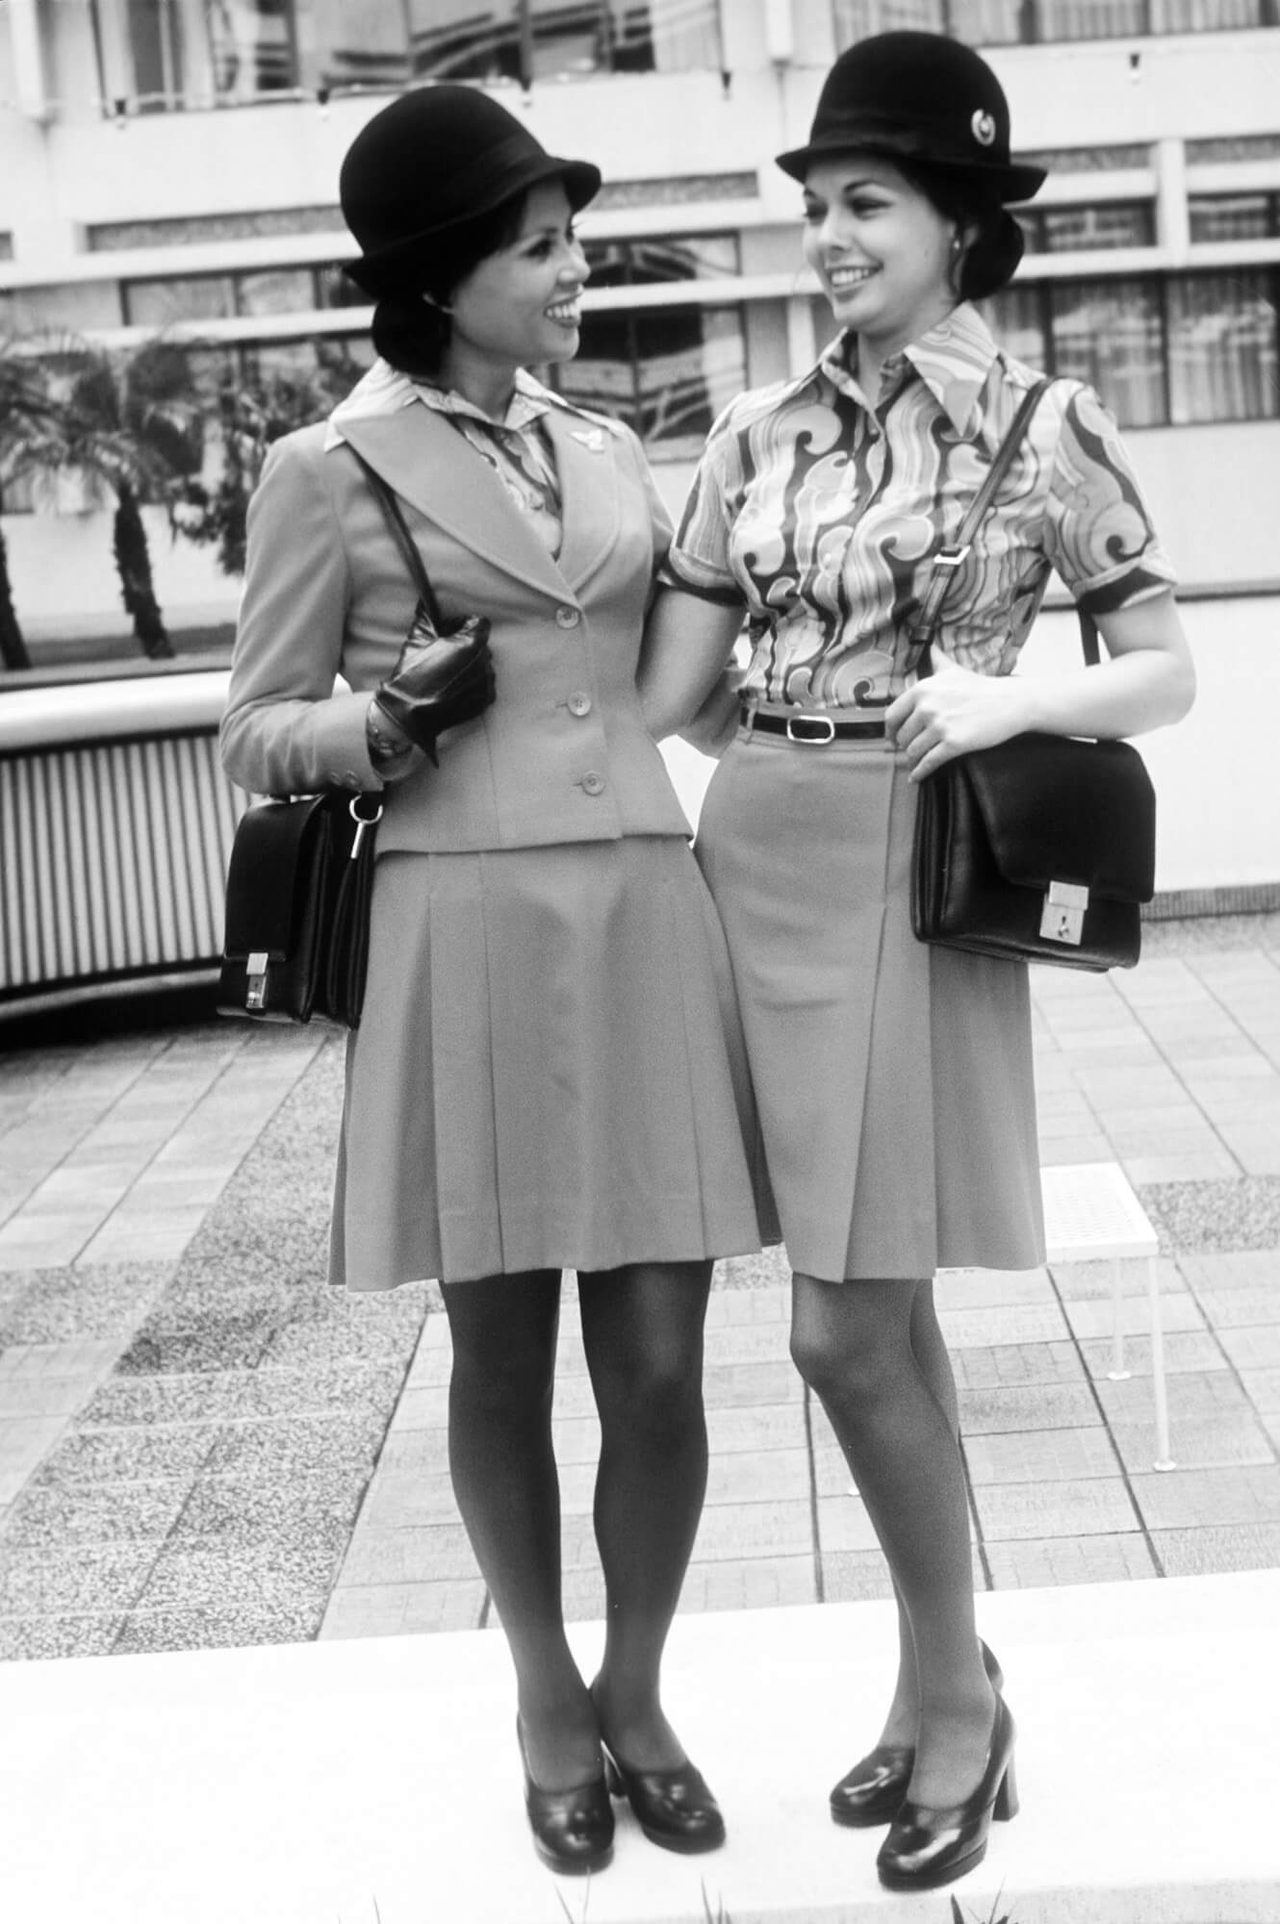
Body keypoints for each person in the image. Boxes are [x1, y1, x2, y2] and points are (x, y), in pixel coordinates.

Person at [640, 30, 1195, 1895]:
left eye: (865, 204)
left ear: (958, 222)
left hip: (903, 868)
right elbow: (674, 688)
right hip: (754, 854)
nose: (829, 238)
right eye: (814, 209)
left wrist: (1008, 697)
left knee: (839, 1326)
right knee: (879, 1308)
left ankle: (957, 1701)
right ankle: (942, 1677)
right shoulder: (749, 432)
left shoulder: (1049, 431)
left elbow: (1164, 667)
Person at [220, 85, 768, 1876]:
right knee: (503, 1351)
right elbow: (255, 734)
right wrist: (381, 721)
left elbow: (678, 666)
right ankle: (544, 1696)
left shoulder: (609, 446)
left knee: (669, 1363)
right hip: (462, 929)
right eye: (541, 247)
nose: (576, 269)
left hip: (644, 913)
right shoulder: (332, 466)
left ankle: (641, 1686)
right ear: (445, 278)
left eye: (569, 238)